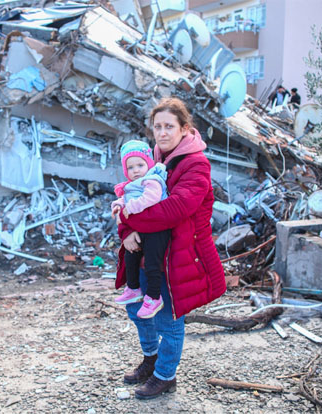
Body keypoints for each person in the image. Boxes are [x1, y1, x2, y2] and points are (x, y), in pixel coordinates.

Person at [115, 97, 226, 399]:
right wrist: (126, 231)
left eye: (169, 126)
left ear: (184, 128)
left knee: (168, 319)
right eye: (157, 127)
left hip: (181, 255)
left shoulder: (197, 165)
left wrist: (128, 218)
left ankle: (166, 375)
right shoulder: (151, 160)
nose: (162, 133)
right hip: (151, 251)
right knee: (137, 310)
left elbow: (174, 210)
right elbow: (129, 197)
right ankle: (151, 361)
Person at [111, 140, 170, 319]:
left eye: (140, 165)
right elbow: (125, 199)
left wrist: (131, 208)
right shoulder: (131, 185)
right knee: (131, 256)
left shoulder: (152, 179)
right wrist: (117, 205)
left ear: (149, 164)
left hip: (158, 231)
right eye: (130, 167)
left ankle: (153, 297)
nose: (135, 170)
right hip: (143, 230)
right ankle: (133, 288)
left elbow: (150, 198)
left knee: (152, 262)